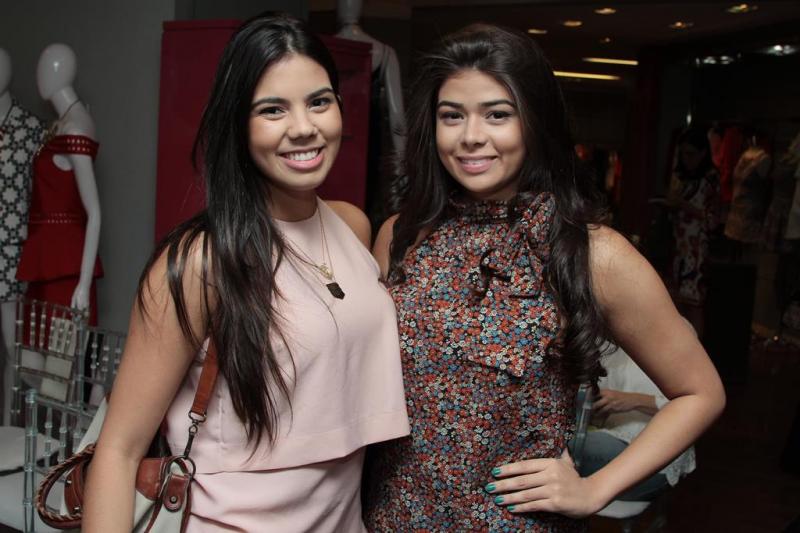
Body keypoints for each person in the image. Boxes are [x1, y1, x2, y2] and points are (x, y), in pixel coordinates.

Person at [364, 24, 725, 531]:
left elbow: (700, 393)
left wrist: (596, 488)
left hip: (510, 522)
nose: (471, 136)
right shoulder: (402, 234)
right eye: (452, 115)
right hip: (393, 515)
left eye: (497, 114)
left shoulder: (590, 251)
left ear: (535, 121)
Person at [83, 13, 409, 532]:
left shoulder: (352, 227)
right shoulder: (200, 261)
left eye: (319, 102)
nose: (303, 127)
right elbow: (119, 450)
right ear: (238, 124)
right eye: (272, 109)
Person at [17, 43, 103, 323]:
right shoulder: (63, 124)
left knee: (58, 350)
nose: (39, 76)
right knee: (31, 348)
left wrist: (83, 283)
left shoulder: (76, 128)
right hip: (45, 260)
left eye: (46, 69)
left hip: (66, 268)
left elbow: (94, 212)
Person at [578, 343, 696, 501]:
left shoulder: (673, 342)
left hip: (655, 454)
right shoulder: (606, 347)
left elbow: (694, 406)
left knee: (563, 446)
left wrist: (634, 400)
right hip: (610, 438)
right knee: (562, 446)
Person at [667, 126, 720, 337]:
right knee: (677, 303)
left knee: (695, 304)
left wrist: (683, 205)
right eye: (683, 154)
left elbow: (713, 220)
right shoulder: (684, 177)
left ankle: (695, 348)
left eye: (691, 154)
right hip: (680, 248)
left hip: (697, 251)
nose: (686, 159)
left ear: (702, 153)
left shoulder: (710, 180)